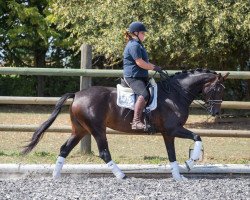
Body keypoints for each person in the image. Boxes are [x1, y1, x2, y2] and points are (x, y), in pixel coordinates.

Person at [123, 21, 162, 130]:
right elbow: (140, 62)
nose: (144, 35)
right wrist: (154, 68)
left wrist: (157, 67)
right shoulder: (134, 45)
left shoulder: (138, 45)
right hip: (133, 77)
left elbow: (146, 63)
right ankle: (136, 121)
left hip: (140, 76)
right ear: (135, 33)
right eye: (143, 33)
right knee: (144, 95)